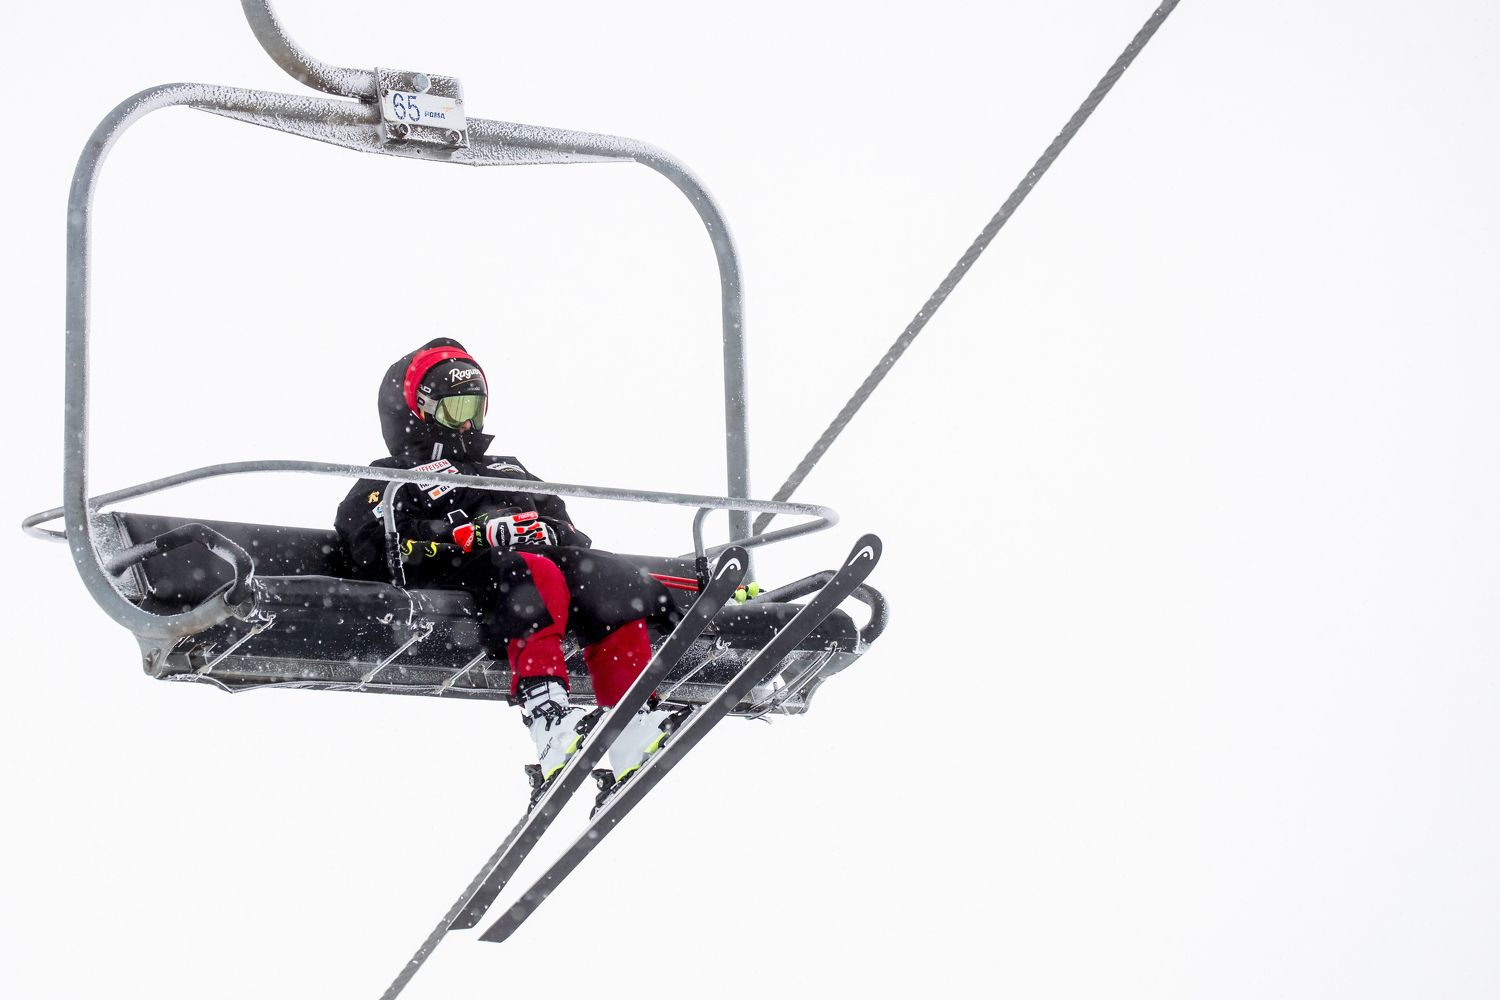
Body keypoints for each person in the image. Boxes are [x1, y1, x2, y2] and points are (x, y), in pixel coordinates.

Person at [334, 337, 683, 805]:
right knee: (531, 572)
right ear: (421, 409)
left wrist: (546, 531)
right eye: (454, 408)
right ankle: (548, 717)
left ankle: (631, 719)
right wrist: (467, 534)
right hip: (461, 573)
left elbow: (568, 529)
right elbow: (372, 546)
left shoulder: (506, 469)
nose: (467, 421)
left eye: (474, 408)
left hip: (527, 564)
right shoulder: (394, 476)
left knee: (606, 575)